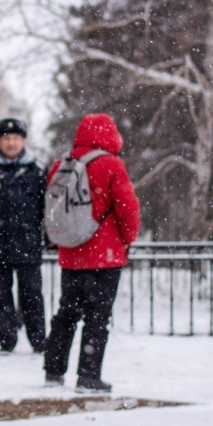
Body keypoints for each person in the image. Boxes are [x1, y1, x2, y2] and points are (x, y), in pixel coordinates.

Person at [43, 113, 140, 393]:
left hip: (71, 253)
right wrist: (127, 240)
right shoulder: (111, 164)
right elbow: (128, 208)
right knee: (97, 317)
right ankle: (88, 375)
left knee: (67, 313)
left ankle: (53, 369)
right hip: (105, 255)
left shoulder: (62, 164)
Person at [0, 117, 47, 354]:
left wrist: (51, 239)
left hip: (28, 242)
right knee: (1, 296)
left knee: (32, 295)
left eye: (15, 138)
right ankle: (7, 340)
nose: (11, 143)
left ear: (23, 140)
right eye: (6, 138)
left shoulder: (37, 170)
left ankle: (39, 340)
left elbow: (48, 208)